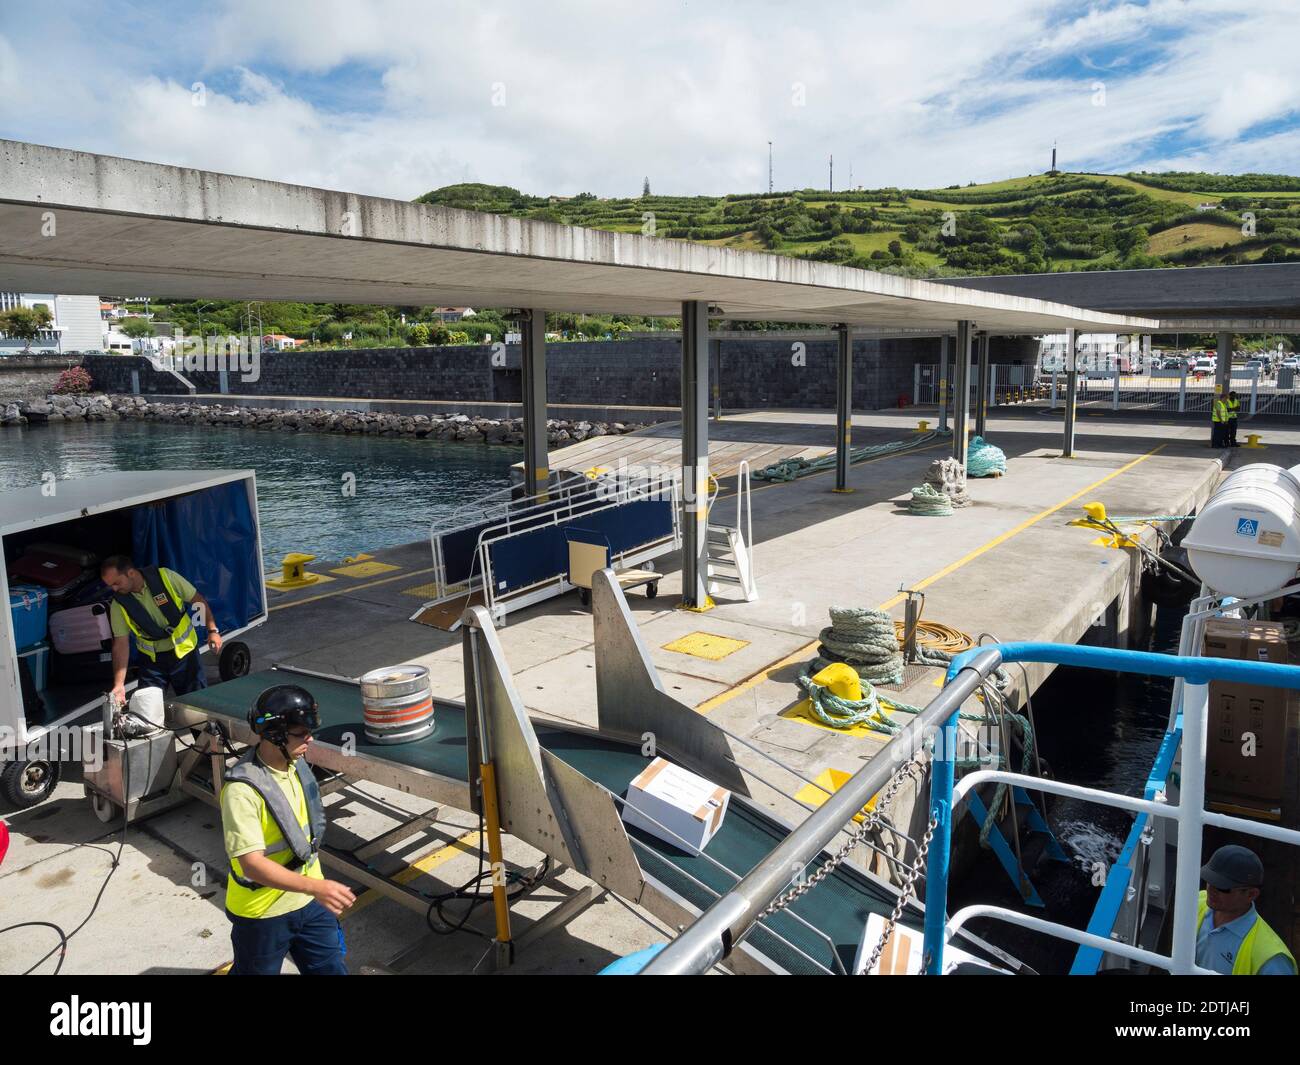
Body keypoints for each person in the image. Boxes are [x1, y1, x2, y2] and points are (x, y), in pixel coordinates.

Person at [221, 685, 355, 975]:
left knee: (330, 968)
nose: (310, 739)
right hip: (263, 911)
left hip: (309, 901)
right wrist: (318, 887)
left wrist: (315, 889)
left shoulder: (295, 764)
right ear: (274, 734)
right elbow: (252, 865)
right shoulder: (242, 791)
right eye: (301, 733)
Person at [102, 555, 222, 706]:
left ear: (131, 573)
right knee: (146, 711)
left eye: (116, 583)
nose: (114, 589)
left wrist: (212, 630)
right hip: (152, 663)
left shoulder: (166, 577)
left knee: (198, 708)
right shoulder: (118, 604)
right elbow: (120, 643)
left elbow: (198, 600)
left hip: (185, 655)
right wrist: (119, 685)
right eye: (110, 586)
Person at [1196, 844, 1296, 975]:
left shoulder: (1271, 959)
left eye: (1222, 887)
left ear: (1251, 894)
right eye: (1209, 880)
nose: (1211, 890)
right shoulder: (1195, 901)